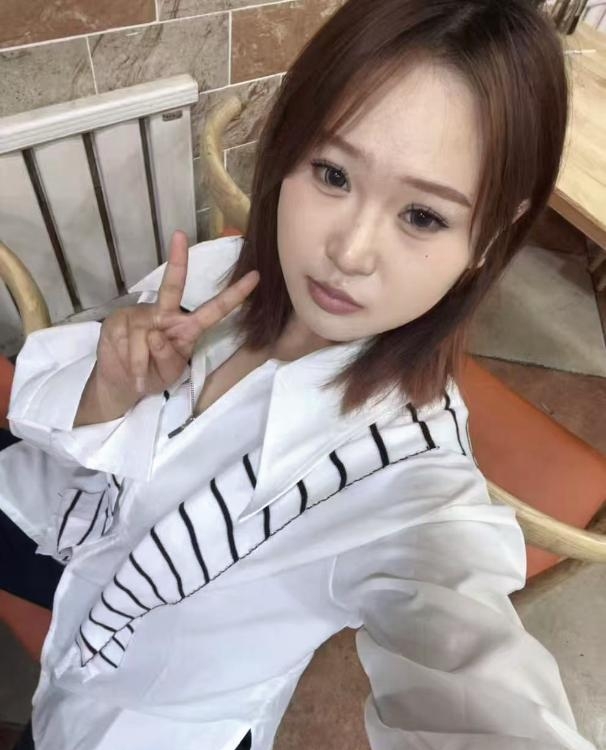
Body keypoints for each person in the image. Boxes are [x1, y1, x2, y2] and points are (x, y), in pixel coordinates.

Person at [0, 0, 597, 748]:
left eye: (422, 216)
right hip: (69, 550)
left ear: (487, 239)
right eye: (333, 172)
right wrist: (108, 390)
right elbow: (61, 445)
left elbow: (469, 663)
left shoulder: (410, 488)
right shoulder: (213, 275)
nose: (349, 251)